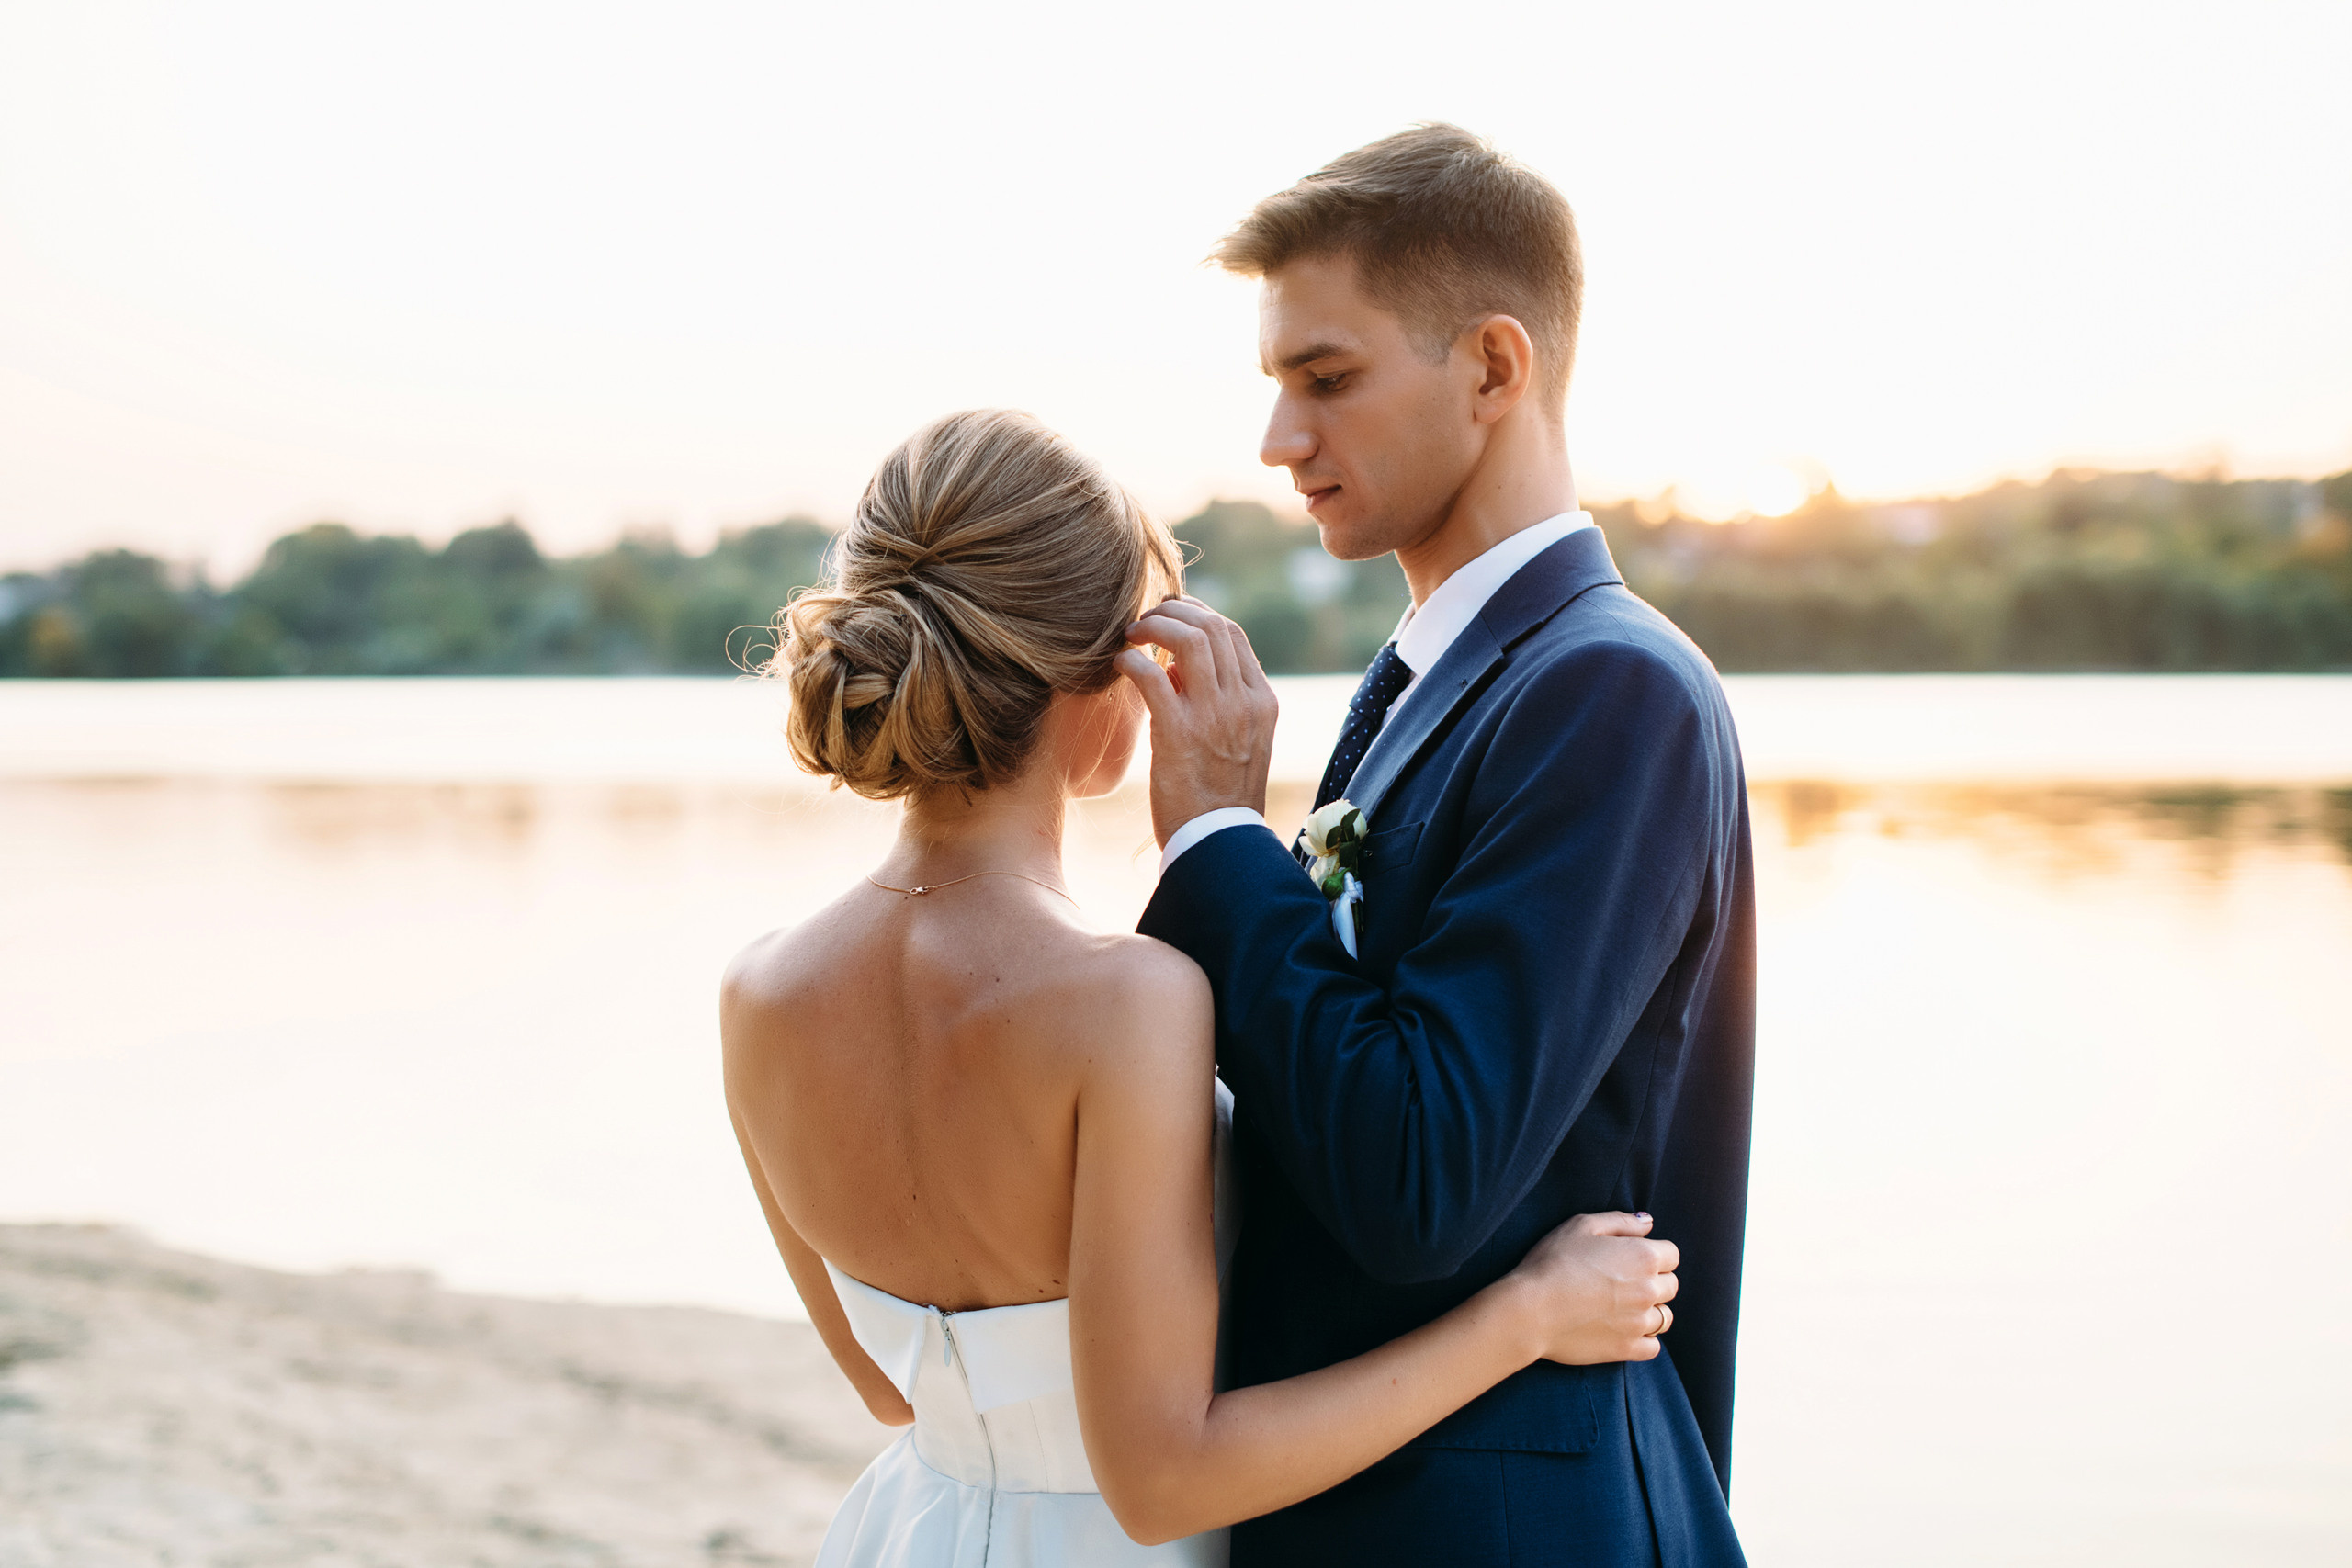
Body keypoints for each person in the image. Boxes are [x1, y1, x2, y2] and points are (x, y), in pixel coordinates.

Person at [723, 408, 1682, 1568]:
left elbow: (889, 1388)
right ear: (1104, 668)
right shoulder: (1124, 1004)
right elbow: (1163, 1481)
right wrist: (1521, 1317)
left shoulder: (758, 993)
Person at [1119, 126, 1756, 1564]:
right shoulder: (1428, 684)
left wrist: (1222, 840)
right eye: (1277, 385)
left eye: (1326, 379)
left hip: (1512, 1521)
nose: (1281, 440)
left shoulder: (1610, 690)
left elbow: (1421, 1177)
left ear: (1492, 368)